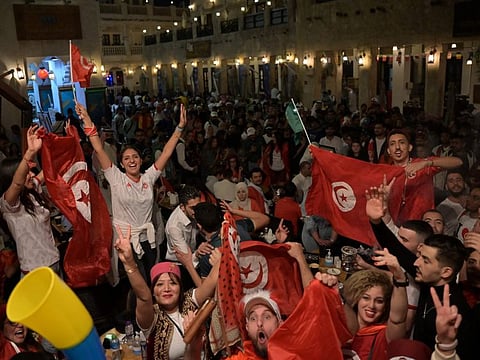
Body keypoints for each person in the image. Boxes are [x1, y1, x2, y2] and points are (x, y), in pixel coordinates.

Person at [75, 102, 186, 284]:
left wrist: (179, 127)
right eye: (127, 158)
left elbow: (166, 153)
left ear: (141, 161)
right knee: (137, 282)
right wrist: (87, 119)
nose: (131, 161)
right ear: (121, 163)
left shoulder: (148, 178)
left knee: (152, 279)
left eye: (135, 157)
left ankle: (155, 310)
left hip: (148, 239)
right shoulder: (116, 178)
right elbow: (98, 148)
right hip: (127, 241)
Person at [114, 225, 221, 360]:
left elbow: (211, 280)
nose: (166, 288)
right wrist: (129, 263)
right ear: (153, 292)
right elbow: (144, 297)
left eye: (172, 283)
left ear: (180, 288)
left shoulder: (190, 300)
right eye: (159, 284)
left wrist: (224, 249)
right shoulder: (152, 317)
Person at [0, 126, 60, 275]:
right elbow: (17, 183)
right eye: (26, 173)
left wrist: (53, 146)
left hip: (54, 262)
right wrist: (30, 152)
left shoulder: (32, 190)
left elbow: (48, 171)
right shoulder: (9, 204)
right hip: (34, 270)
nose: (30, 175)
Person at [386, 129, 462, 225]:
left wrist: (427, 163)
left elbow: (458, 162)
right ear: (389, 150)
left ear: (409, 147)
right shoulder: (385, 172)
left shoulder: (421, 165)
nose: (397, 147)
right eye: (392, 144)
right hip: (395, 227)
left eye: (401, 142)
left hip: (422, 226)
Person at [342, 249, 408, 360]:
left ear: (385, 305)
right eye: (366, 298)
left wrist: (400, 279)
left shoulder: (383, 335)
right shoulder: (339, 325)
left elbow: (398, 320)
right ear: (357, 298)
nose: (372, 305)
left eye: (379, 301)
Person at [436, 170, 468, 236]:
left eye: (458, 180)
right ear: (446, 186)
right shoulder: (442, 208)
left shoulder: (473, 202)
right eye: (451, 181)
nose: (455, 183)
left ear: (464, 184)